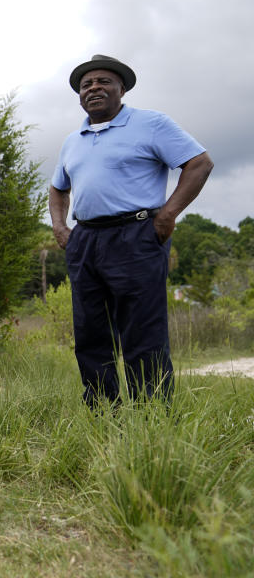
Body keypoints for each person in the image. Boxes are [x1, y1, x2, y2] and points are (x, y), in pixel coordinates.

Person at [49, 54, 213, 409]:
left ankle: (151, 414)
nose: (93, 88)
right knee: (90, 333)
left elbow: (199, 163)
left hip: (137, 235)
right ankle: (104, 411)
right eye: (86, 84)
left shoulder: (151, 124)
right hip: (85, 241)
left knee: (142, 332)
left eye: (103, 81)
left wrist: (167, 215)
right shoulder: (71, 140)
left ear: (121, 88)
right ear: (79, 95)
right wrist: (61, 229)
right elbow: (58, 188)